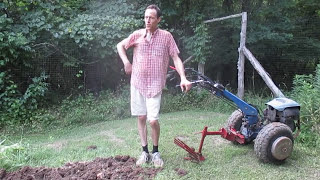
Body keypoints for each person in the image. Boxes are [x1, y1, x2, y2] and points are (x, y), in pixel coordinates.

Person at [117, 4, 192, 167]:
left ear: (158, 19)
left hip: (156, 85)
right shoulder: (137, 35)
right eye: (145, 17)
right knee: (141, 117)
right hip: (137, 83)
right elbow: (120, 46)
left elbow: (176, 58)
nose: (147, 20)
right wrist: (126, 62)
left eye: (151, 17)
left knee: (152, 120)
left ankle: (156, 152)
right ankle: (145, 152)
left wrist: (183, 78)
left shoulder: (166, 37)